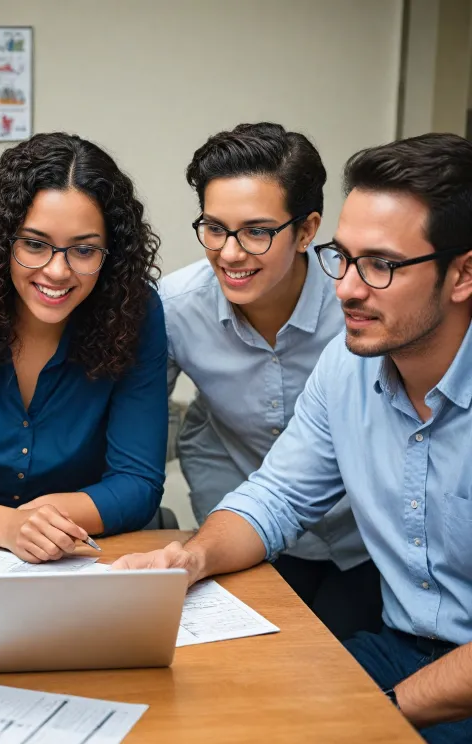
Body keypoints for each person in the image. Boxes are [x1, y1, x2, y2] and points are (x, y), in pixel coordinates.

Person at [114, 132, 472, 744]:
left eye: (381, 265)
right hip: (402, 640)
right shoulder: (348, 366)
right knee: (220, 721)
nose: (346, 290)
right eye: (347, 258)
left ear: (463, 273)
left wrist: (375, 715)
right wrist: (188, 561)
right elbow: (276, 495)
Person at [0, 132, 167, 563]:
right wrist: (8, 527)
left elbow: (137, 484)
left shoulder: (137, 313)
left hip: (82, 556)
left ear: (110, 255)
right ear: (2, 241)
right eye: (35, 244)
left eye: (84, 250)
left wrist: (39, 526)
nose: (57, 271)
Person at [161, 122, 378, 640]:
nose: (230, 253)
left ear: (306, 231)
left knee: (342, 659)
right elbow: (130, 423)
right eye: (215, 228)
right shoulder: (174, 308)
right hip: (241, 519)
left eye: (257, 231)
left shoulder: (360, 303)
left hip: (363, 530)